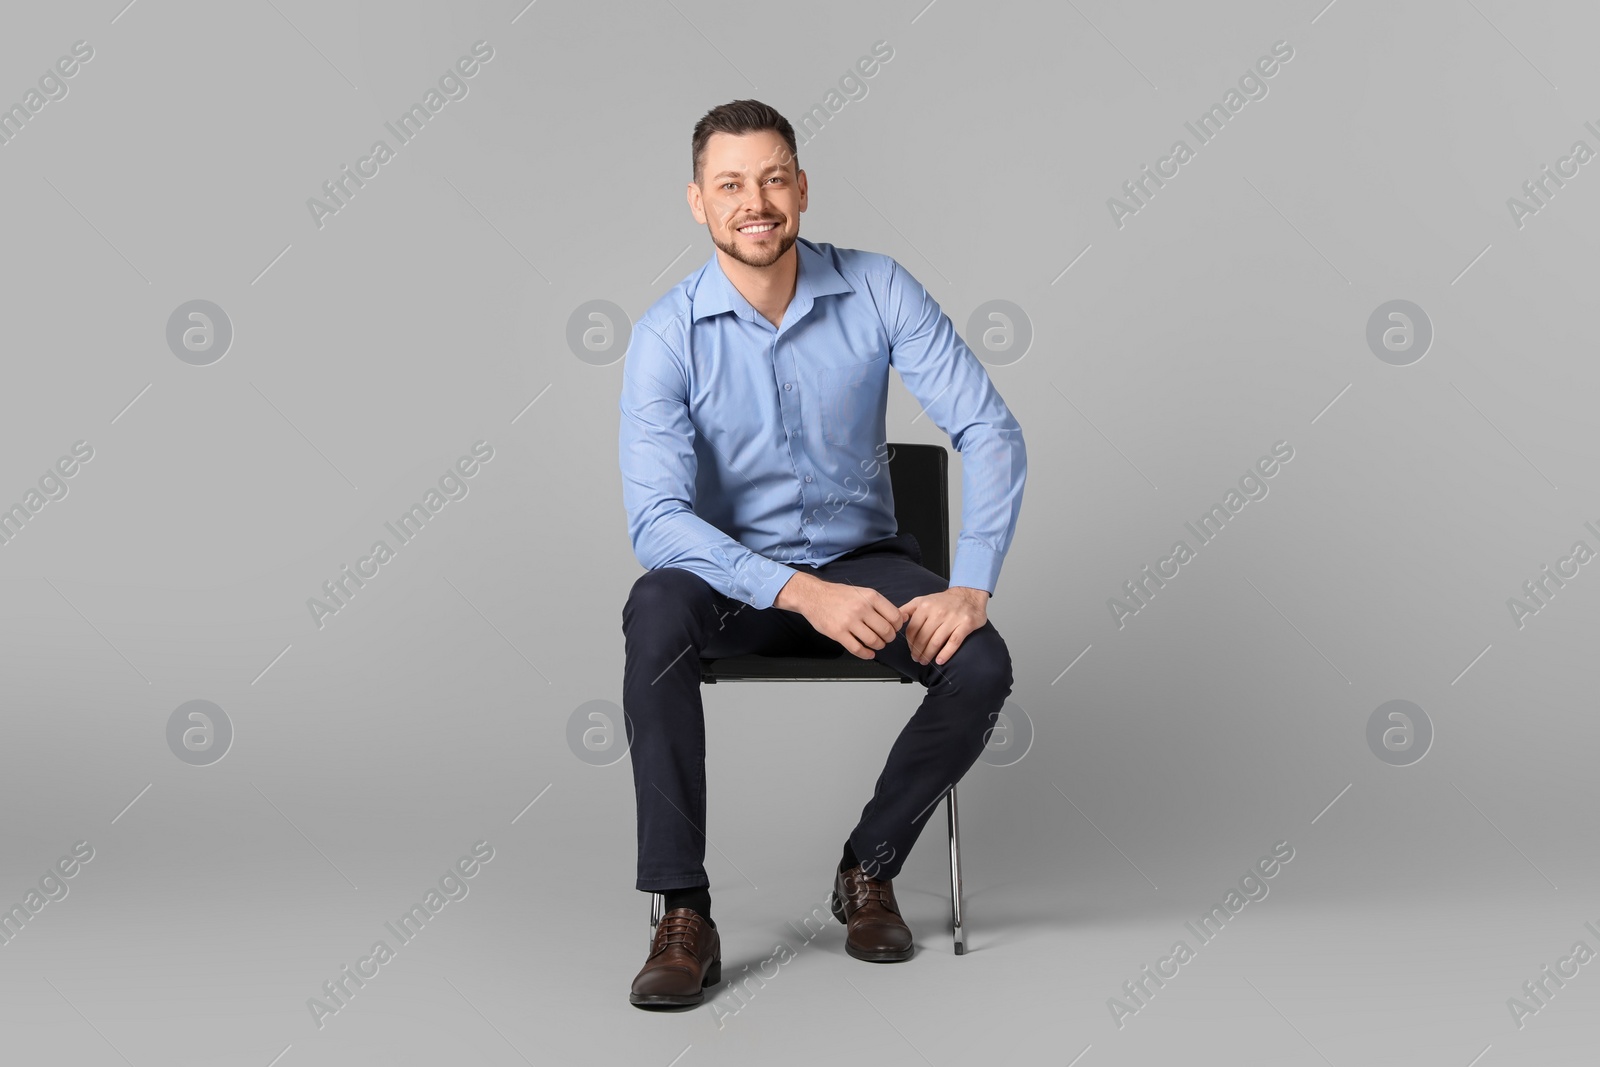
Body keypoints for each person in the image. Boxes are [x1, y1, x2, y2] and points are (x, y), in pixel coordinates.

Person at [618, 99, 1026, 1009]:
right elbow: (657, 518)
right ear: (699, 202)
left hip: (864, 564)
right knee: (654, 610)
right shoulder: (665, 336)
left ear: (801, 187)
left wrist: (972, 584)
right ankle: (682, 911)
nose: (754, 201)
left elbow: (989, 430)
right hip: (729, 579)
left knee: (982, 663)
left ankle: (867, 869)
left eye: (772, 177)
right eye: (731, 184)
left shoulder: (879, 288)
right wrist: (797, 591)